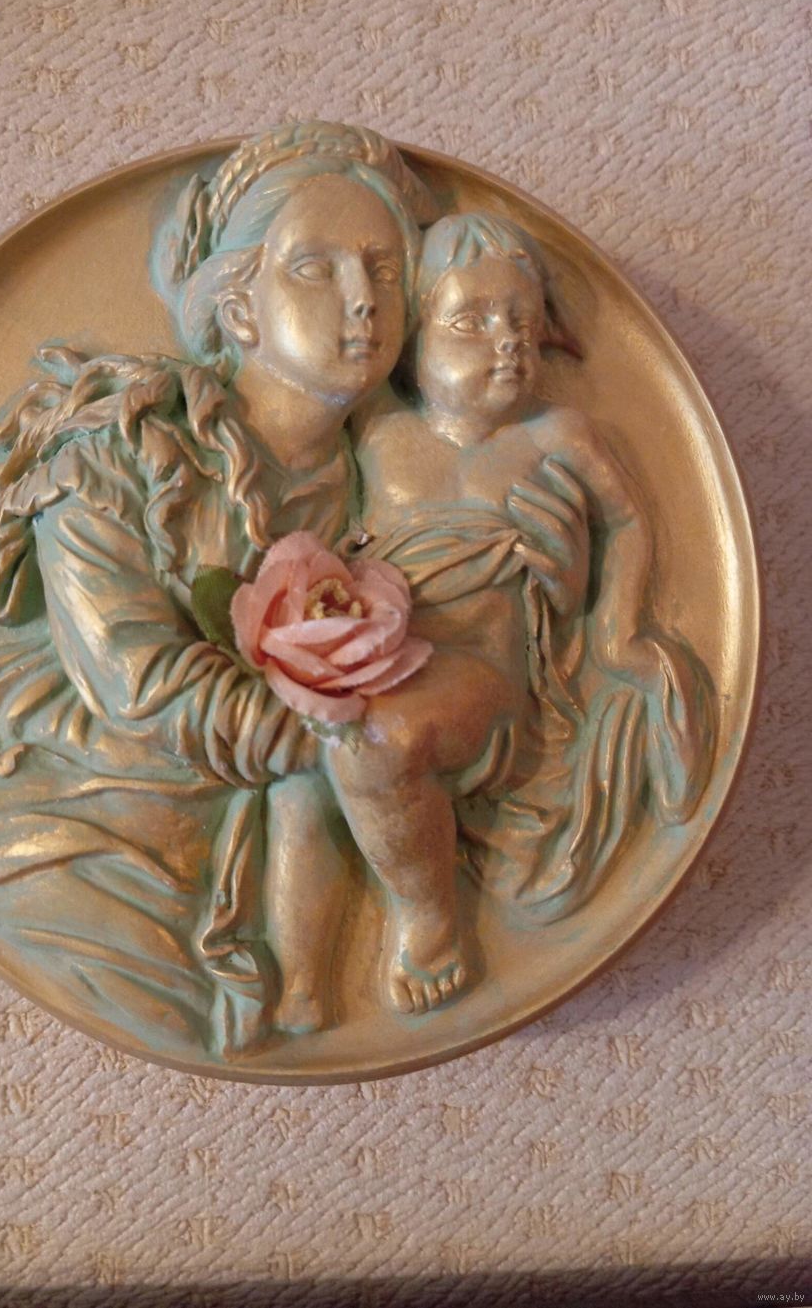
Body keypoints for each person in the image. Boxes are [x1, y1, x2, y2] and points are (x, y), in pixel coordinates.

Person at [0, 122, 438, 1060]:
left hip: (270, 849)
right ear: (241, 304)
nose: (362, 298)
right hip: (80, 818)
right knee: (164, 1007)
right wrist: (356, 742)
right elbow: (136, 679)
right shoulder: (117, 447)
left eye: (384, 269)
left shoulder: (401, 472)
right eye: (316, 267)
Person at [270, 211, 714, 1021]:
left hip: (480, 676)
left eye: (523, 322)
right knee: (299, 783)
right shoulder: (380, 429)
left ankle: (430, 922)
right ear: (411, 337)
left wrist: (617, 627)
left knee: (380, 740)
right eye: (470, 322)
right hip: (368, 661)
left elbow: (628, 519)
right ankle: (297, 985)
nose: (507, 343)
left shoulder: (556, 435)